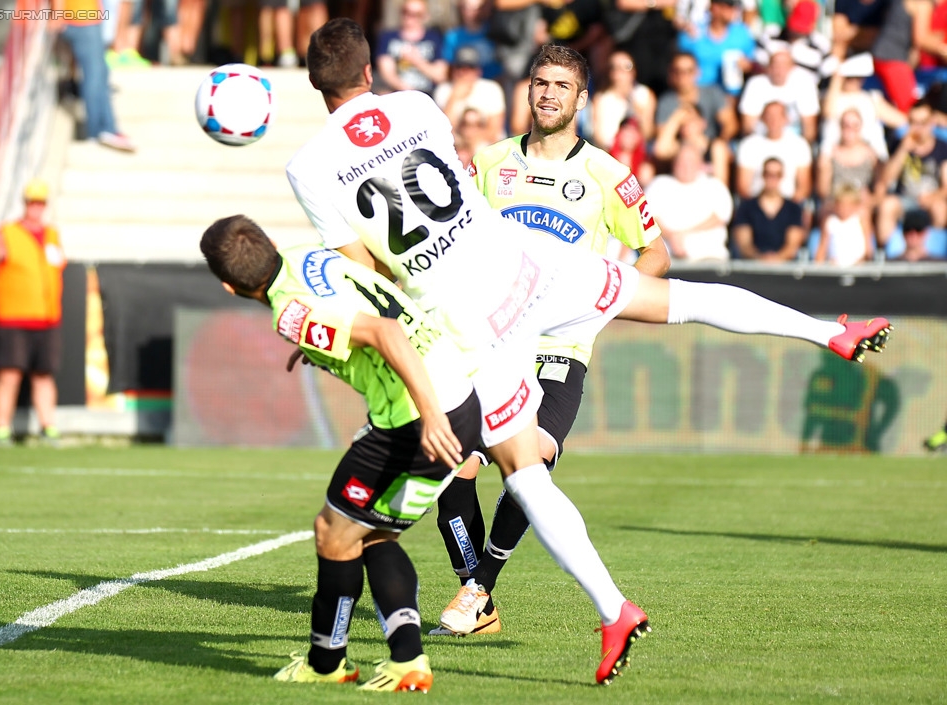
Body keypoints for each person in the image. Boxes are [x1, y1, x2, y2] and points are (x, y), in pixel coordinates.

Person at [286, 18, 892, 684]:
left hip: (474, 321)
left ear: (316, 83)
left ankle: (610, 606)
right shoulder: (417, 106)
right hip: (527, 265)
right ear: (371, 72)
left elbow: (366, 274)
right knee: (683, 299)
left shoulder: (309, 167)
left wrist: (334, 324)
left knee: (522, 469)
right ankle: (827, 331)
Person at [430, 42, 670, 640]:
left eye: (562, 86)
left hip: (560, 351)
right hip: (488, 341)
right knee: (453, 468)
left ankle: (478, 589)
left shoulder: (606, 174)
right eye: (540, 82)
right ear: (528, 88)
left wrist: (605, 300)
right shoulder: (488, 163)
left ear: (582, 99)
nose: (548, 94)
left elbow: (656, 252)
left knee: (529, 462)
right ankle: (474, 588)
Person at [199, 215, 483, 693]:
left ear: (228, 287)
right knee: (371, 534)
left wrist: (430, 416)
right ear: (268, 241)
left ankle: (327, 663)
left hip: (417, 420)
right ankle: (407, 662)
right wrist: (319, 348)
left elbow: (385, 334)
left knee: (334, 531)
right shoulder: (307, 254)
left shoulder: (289, 310)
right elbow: (361, 293)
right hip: (459, 395)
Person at [0, 180, 66, 445]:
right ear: (25, 204)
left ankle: (48, 427)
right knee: (9, 373)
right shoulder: (6, 233)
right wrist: (2, 300)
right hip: (13, 318)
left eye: (40, 203)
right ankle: (2, 429)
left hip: (46, 317)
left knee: (44, 374)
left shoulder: (52, 234)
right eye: (32, 203)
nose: (36, 209)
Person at [53, 0, 135, 151]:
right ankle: (101, 129)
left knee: (100, 73)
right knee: (95, 75)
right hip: (81, 19)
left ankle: (105, 127)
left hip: (86, 17)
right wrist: (58, 13)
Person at [875, 100, 947, 247]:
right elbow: (886, 179)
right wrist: (903, 150)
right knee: (887, 206)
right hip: (903, 200)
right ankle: (887, 255)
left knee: (940, 208)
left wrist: (931, 197)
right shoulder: (898, 144)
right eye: (913, 122)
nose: (918, 128)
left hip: (930, 200)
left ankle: (932, 252)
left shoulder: (942, 148)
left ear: (932, 122)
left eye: (923, 122)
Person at [646, 142, 734, 261]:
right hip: (668, 261)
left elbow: (720, 217)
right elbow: (649, 218)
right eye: (682, 161)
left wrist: (682, 234)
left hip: (709, 258)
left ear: (700, 164)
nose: (686, 166)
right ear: (674, 163)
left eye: (691, 161)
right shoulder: (658, 185)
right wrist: (671, 236)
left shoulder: (715, 186)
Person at [735, 100, 813, 203]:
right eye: (769, 116)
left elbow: (803, 187)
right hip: (756, 207)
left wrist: (784, 210)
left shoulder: (800, 145)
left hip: (789, 207)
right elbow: (743, 187)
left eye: (778, 116)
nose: (774, 120)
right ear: (762, 119)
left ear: (786, 119)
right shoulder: (748, 145)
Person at [732, 157, 806, 261]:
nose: (772, 178)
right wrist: (761, 259)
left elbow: (792, 245)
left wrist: (776, 259)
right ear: (763, 175)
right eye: (768, 174)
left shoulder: (793, 209)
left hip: (785, 270)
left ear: (782, 176)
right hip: (753, 267)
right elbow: (744, 244)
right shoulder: (746, 207)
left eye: (777, 174)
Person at [433, 45, 506, 145]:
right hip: (456, 147)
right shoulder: (443, 90)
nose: (463, 72)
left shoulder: (491, 89)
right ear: (453, 68)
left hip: (486, 147)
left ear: (478, 70)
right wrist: (454, 98)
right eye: (460, 67)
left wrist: (468, 142)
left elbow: (494, 130)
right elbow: (442, 130)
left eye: (470, 67)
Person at [374, 0, 448, 95]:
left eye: (416, 14)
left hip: (428, 95)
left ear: (425, 16)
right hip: (396, 93)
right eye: (406, 11)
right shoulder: (387, 37)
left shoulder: (434, 39)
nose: (409, 17)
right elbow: (386, 72)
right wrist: (406, 89)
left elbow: (440, 75)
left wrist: (417, 61)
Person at [815, 183, 874, 265]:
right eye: (841, 205)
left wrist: (863, 261)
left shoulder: (862, 220)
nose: (844, 209)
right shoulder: (830, 221)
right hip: (834, 267)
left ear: (856, 205)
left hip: (859, 267)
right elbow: (822, 248)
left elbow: (869, 248)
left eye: (849, 205)